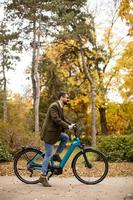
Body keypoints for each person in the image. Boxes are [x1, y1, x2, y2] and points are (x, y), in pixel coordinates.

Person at [39, 91, 75, 187]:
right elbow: (56, 119)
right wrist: (67, 127)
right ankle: (42, 177)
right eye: (66, 97)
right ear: (61, 97)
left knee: (65, 137)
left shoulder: (60, 106)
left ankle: (57, 154)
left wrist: (70, 124)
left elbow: (62, 119)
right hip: (49, 134)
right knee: (48, 155)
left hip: (55, 133)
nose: (67, 99)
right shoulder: (54, 106)